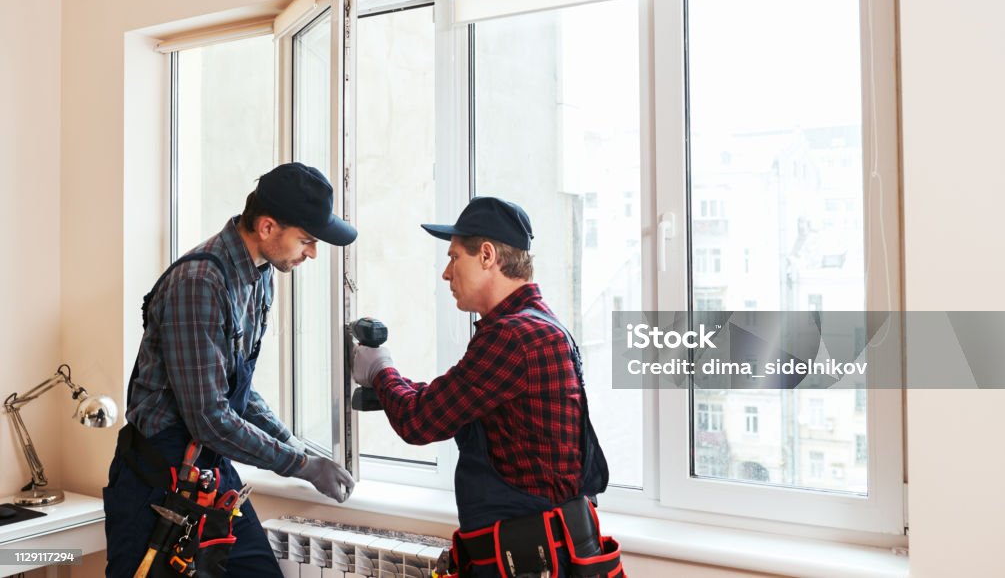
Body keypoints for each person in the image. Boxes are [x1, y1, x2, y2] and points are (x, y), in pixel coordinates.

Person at [105, 162, 356, 578]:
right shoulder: (200, 282)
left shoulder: (259, 277)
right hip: (157, 480)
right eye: (307, 239)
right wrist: (300, 466)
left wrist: (296, 447)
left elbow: (238, 390)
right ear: (268, 227)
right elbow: (210, 418)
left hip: (208, 471)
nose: (311, 252)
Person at [352, 196, 624, 577]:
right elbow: (451, 399)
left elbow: (420, 421)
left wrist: (380, 370)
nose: (446, 273)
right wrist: (387, 386)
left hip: (530, 559)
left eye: (453, 258)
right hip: (542, 552)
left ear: (486, 255)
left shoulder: (513, 337)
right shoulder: (540, 325)